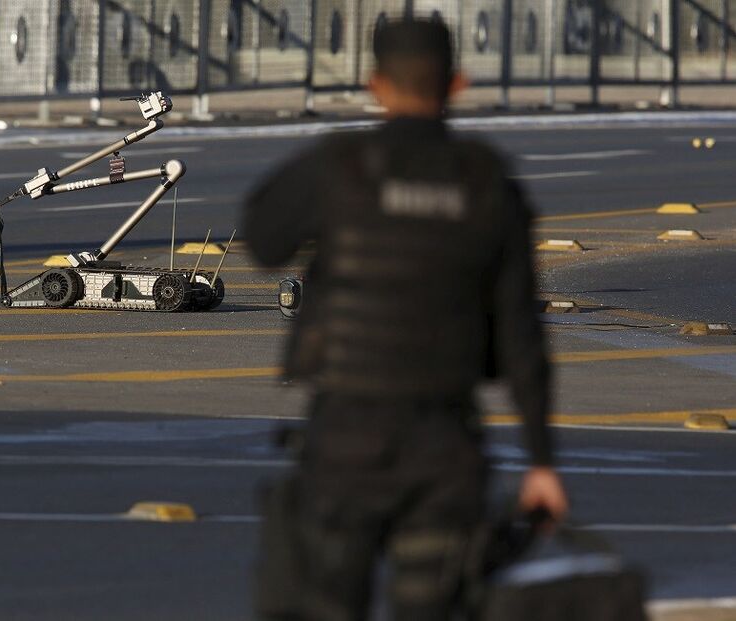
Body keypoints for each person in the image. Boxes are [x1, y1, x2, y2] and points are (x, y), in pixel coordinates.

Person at [244, 18, 569, 621]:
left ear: (375, 85)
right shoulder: (487, 181)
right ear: (458, 83)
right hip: (443, 446)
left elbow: (263, 239)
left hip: (345, 440)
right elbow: (523, 334)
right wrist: (542, 461)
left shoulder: (342, 165)